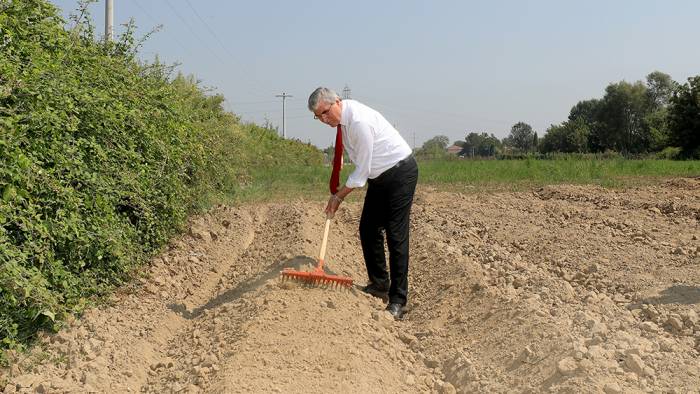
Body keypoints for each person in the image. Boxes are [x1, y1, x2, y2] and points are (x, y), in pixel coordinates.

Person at [308, 87, 418, 320]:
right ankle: (380, 285)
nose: (324, 120)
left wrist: (338, 196)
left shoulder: (358, 122)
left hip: (399, 173)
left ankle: (399, 300)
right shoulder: (344, 121)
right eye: (318, 117)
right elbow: (365, 169)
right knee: (368, 228)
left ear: (337, 102)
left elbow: (361, 172)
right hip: (379, 176)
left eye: (325, 113)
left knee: (396, 234)